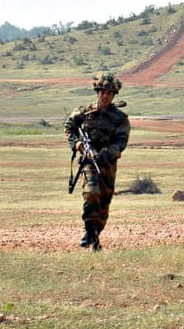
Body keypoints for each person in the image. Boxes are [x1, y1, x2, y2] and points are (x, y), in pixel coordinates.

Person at [64, 73, 130, 251]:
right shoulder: (84, 112)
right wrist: (77, 144)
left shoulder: (120, 118)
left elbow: (121, 141)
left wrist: (107, 153)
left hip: (107, 163)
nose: (105, 96)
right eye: (102, 92)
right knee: (91, 192)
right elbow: (70, 127)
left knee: (103, 202)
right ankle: (88, 231)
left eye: (109, 93)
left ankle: (95, 235)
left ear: (114, 95)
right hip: (88, 161)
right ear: (97, 92)